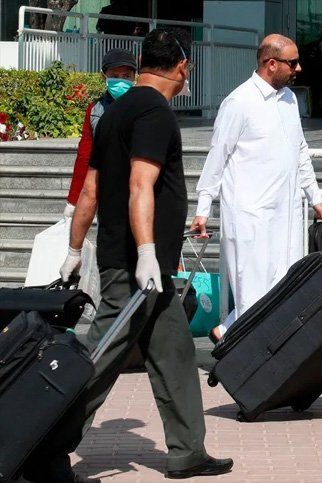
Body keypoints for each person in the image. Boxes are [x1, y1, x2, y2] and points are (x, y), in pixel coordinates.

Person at [26, 29, 233, 482]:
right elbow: (141, 185)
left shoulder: (114, 112)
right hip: (135, 268)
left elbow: (90, 190)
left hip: (147, 270)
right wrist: (146, 252)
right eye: (188, 68)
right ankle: (41, 446)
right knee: (98, 359)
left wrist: (75, 249)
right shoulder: (154, 112)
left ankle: (187, 451)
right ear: (181, 66)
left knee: (175, 353)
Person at [192, 34, 322, 342]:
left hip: (287, 212)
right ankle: (241, 351)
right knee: (252, 291)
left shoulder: (290, 99)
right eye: (293, 63)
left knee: (283, 286)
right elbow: (217, 157)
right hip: (249, 214)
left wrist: (315, 197)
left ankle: (226, 333)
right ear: (271, 64)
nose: (298, 68)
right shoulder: (239, 102)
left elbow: (300, 151)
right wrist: (203, 208)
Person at [65, 48, 137, 219]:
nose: (121, 81)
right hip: (106, 190)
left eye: (126, 76)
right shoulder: (95, 110)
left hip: (138, 189)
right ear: (103, 76)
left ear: (135, 77)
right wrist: (73, 200)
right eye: (114, 76)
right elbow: (84, 156)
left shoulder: (144, 108)